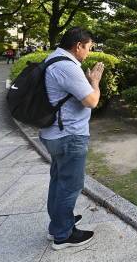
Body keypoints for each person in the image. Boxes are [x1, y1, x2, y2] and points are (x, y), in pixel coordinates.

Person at [39, 27, 104, 250]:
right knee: (70, 185)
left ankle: (58, 224)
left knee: (59, 181)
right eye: (88, 48)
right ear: (78, 46)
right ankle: (63, 235)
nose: (88, 52)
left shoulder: (53, 59)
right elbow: (91, 101)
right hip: (69, 135)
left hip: (54, 133)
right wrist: (94, 81)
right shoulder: (67, 67)